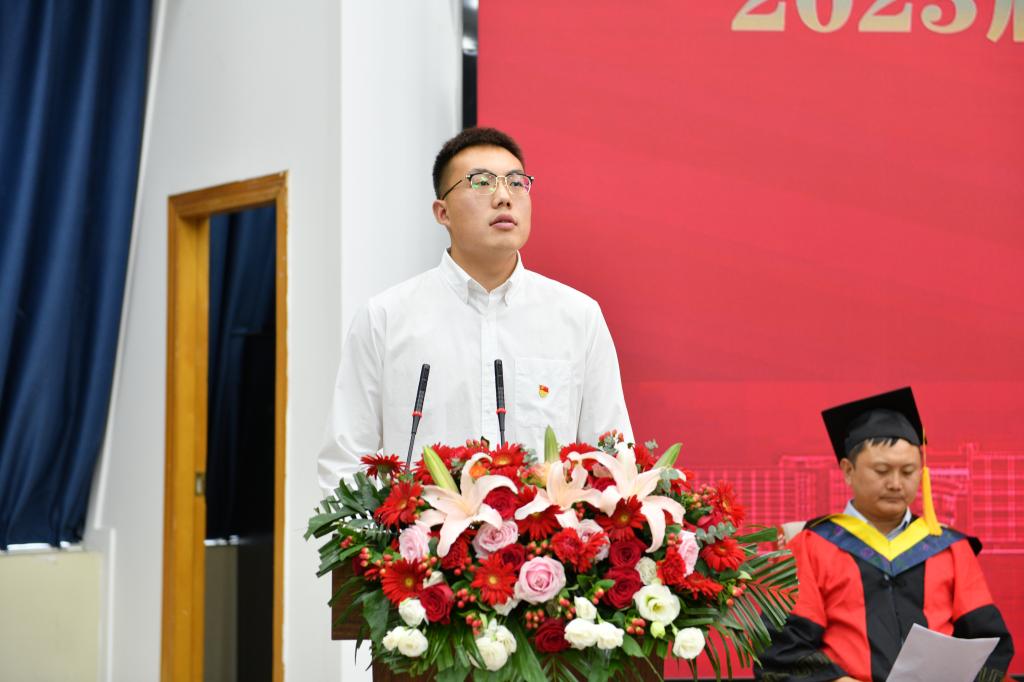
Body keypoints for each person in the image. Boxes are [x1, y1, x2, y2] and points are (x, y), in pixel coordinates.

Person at [317, 127, 632, 493]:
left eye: (517, 183)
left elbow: (613, 459)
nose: (504, 197)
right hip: (420, 530)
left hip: (542, 531)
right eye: (481, 182)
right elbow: (345, 462)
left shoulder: (578, 318)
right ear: (443, 212)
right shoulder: (385, 319)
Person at [756, 387, 1013, 682]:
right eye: (881, 470)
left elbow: (989, 644)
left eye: (908, 471)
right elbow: (782, 648)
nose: (895, 483)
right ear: (848, 470)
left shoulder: (949, 548)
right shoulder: (813, 546)